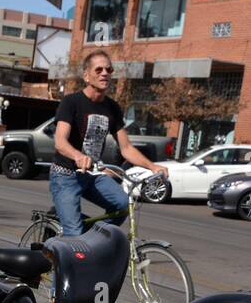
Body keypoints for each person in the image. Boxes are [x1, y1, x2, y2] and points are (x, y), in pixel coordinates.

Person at [50, 49, 168, 234]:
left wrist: (153, 167)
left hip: (93, 175)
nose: (105, 73)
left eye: (109, 69)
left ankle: (93, 238)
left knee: (122, 204)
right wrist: (78, 156)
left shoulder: (112, 108)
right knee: (73, 234)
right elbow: (60, 141)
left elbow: (126, 148)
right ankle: (72, 233)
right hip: (66, 175)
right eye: (98, 70)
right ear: (86, 76)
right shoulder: (71, 102)